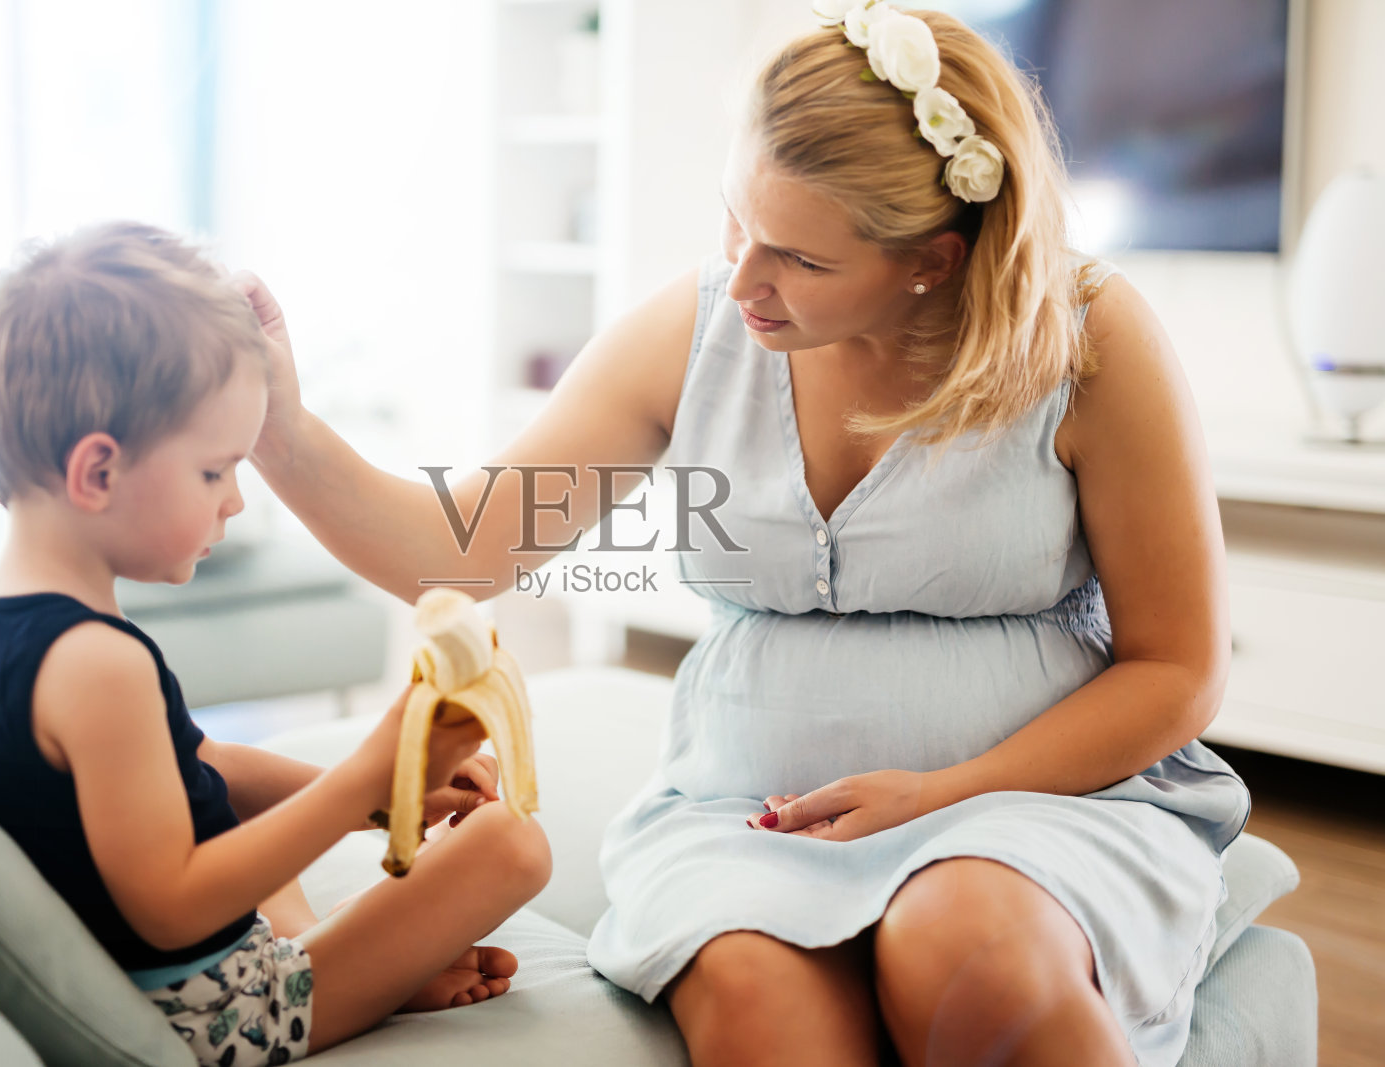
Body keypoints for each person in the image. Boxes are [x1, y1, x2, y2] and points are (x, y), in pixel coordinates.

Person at [239, 4, 1249, 1064]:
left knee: (967, 952)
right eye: (736, 219)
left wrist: (944, 792)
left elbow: (1177, 666)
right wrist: (283, 434)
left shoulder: (1090, 338)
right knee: (762, 1007)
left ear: (932, 262)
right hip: (746, 817)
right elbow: (461, 549)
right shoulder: (697, 328)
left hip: (1033, 806)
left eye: (801, 260)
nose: (744, 277)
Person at [0, 222, 551, 1067]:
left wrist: (402, 798)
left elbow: (201, 769)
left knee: (239, 805)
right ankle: (359, 969)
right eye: (215, 470)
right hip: (204, 1018)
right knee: (511, 844)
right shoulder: (96, 665)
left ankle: (361, 957)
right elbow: (174, 909)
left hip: (156, 976)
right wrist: (376, 767)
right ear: (98, 472)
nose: (235, 504)